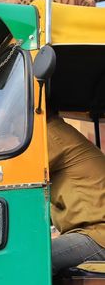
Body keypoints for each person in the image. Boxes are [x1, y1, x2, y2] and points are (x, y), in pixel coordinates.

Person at [47, 112, 105, 275]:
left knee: (31, 259)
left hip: (97, 235)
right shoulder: (57, 131)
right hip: (91, 233)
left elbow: (12, 177)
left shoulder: (51, 133)